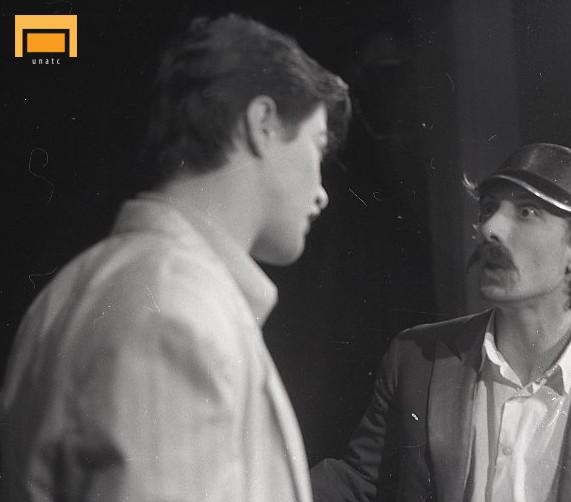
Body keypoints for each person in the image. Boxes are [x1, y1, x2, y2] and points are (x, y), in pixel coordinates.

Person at [2, 14, 350, 502]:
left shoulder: (76, 289)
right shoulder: (172, 309)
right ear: (263, 123)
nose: (322, 193)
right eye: (317, 146)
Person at [311, 143, 571, 502]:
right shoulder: (416, 359)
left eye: (527, 212)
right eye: (489, 209)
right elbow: (356, 485)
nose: (490, 228)